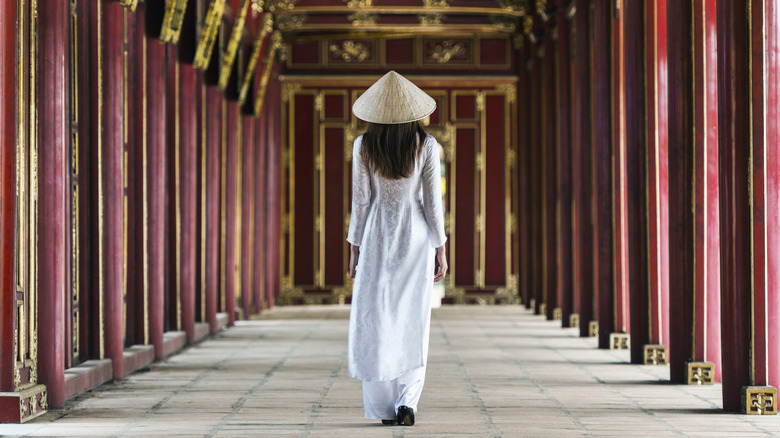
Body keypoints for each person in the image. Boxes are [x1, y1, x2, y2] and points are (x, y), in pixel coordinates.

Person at [346, 70, 448, 427]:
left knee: (376, 318)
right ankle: (408, 402)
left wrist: (354, 245)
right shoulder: (426, 144)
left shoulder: (363, 145)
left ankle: (384, 407)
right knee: (413, 318)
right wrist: (441, 246)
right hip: (416, 238)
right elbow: (432, 203)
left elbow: (361, 201)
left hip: (376, 236)